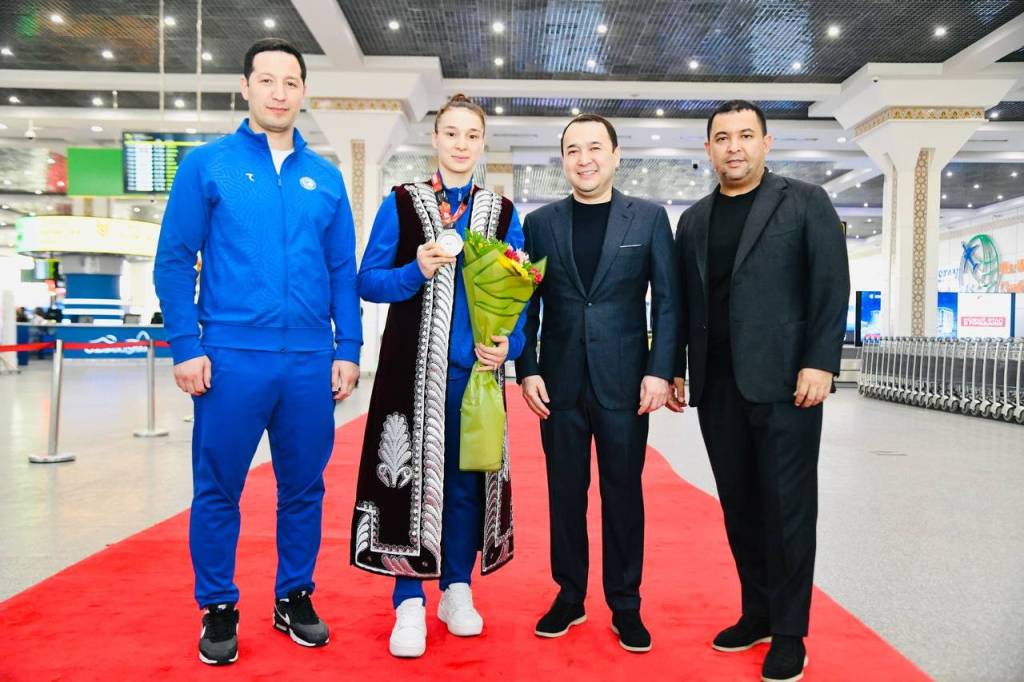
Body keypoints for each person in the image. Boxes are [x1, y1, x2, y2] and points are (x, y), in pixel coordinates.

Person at [153, 38, 361, 666]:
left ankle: (294, 595)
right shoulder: (207, 165)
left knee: (304, 488)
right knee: (218, 487)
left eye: (290, 82)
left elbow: (341, 271)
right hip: (230, 357)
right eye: (266, 80)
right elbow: (174, 260)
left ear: (304, 92)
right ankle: (218, 604)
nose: (278, 92)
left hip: (308, 361)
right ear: (244, 87)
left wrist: (348, 347)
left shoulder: (326, 177)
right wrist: (185, 345)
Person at [668, 100, 849, 682]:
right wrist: (675, 366)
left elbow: (830, 285)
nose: (734, 147)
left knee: (788, 509)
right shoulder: (694, 220)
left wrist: (820, 362)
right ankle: (758, 613)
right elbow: (683, 302)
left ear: (766, 144)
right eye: (722, 137)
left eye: (746, 135)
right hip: (718, 385)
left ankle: (790, 632)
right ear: (708, 149)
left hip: (786, 384)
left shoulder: (805, 202)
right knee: (740, 506)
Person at [351, 94, 526, 659]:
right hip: (410, 373)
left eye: (471, 135)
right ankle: (408, 600)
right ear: (434, 139)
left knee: (467, 482)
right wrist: (414, 270)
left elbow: (522, 293)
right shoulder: (402, 203)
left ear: (483, 142)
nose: (461, 144)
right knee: (405, 482)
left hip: (476, 378)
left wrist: (511, 344)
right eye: (451, 133)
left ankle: (457, 588)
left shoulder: (502, 212)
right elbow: (367, 281)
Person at [514, 114, 678, 653]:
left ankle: (625, 604)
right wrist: (527, 368)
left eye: (594, 148)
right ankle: (570, 595)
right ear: (563, 159)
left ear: (615, 154)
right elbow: (525, 304)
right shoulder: (541, 224)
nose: (584, 159)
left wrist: (660, 370)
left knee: (623, 493)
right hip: (557, 384)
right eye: (572, 150)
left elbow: (668, 301)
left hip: (625, 384)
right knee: (565, 493)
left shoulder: (649, 219)